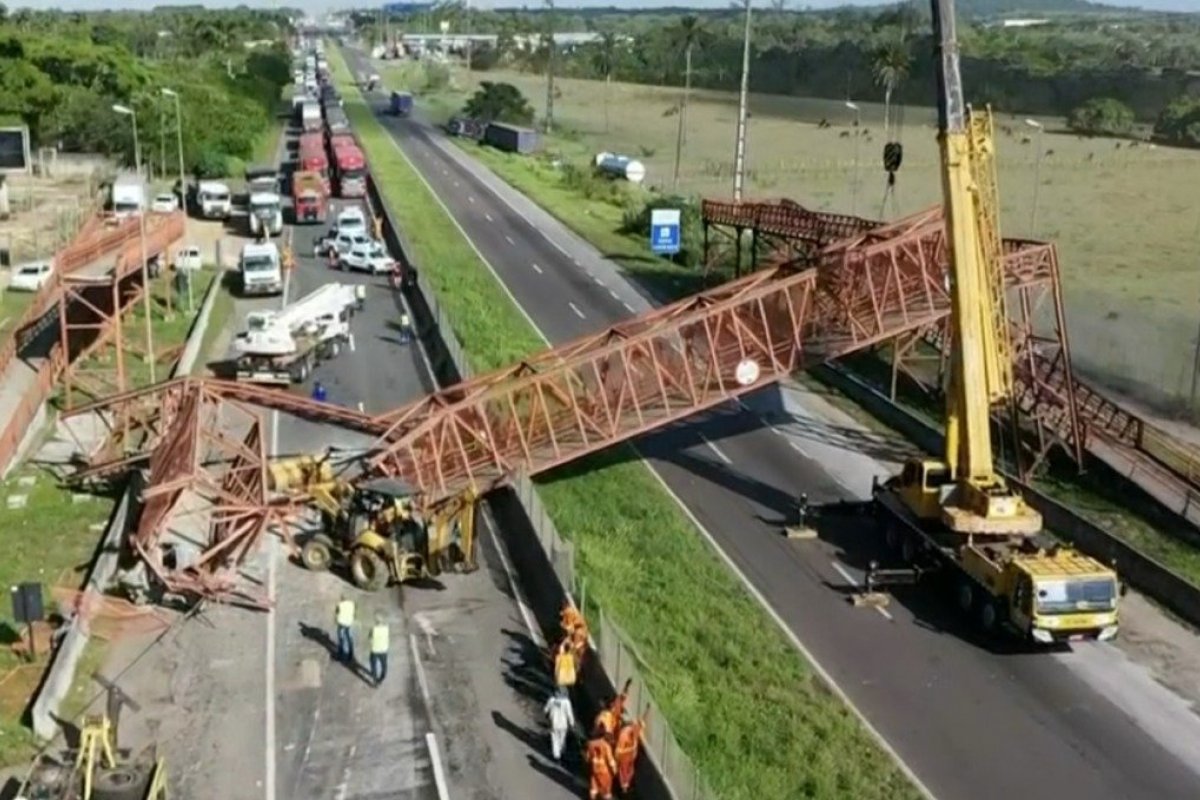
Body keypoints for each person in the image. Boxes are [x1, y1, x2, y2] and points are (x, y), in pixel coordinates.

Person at [614, 710, 649, 793]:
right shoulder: (624, 735)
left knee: (631, 771)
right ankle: (623, 787)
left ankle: (625, 785)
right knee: (623, 772)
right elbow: (619, 750)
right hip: (624, 758)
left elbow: (641, 721)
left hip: (631, 757)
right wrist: (630, 749)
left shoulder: (635, 729)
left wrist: (647, 711)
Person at [543, 687, 575, 762]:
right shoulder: (567, 702)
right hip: (563, 724)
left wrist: (547, 716)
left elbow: (545, 710)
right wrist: (572, 723)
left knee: (555, 740)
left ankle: (556, 756)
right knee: (562, 739)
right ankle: (562, 753)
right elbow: (569, 714)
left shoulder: (552, 700)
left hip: (554, 723)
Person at [585, 735, 617, 800]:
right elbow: (610, 761)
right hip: (604, 771)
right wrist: (614, 770)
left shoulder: (592, 743)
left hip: (594, 768)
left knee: (594, 785)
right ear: (609, 741)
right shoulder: (607, 747)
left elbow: (587, 757)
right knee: (606, 789)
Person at [369, 613, 390, 687]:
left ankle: (375, 681)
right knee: (384, 666)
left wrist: (372, 644)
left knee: (373, 666)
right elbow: (387, 638)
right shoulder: (386, 629)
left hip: (375, 650)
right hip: (383, 650)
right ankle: (381, 678)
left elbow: (370, 639)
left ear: (376, 622)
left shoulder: (373, 629)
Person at [334, 595, 355, 663]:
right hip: (349, 623)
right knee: (349, 639)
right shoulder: (352, 604)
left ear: (342, 598)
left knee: (342, 639)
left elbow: (336, 613)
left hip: (342, 624)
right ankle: (350, 655)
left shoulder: (339, 605)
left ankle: (341, 656)